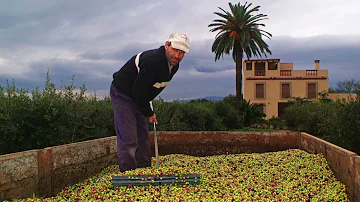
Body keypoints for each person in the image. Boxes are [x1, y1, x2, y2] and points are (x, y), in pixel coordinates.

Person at [110, 32, 190, 172]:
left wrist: (147, 110)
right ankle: (128, 174)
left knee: (142, 135)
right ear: (167, 45)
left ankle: (144, 170)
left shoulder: (174, 65)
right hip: (123, 93)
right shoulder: (153, 61)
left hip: (139, 96)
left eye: (182, 52)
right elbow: (138, 91)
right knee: (129, 137)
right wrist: (149, 112)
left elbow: (148, 89)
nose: (177, 56)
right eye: (175, 50)